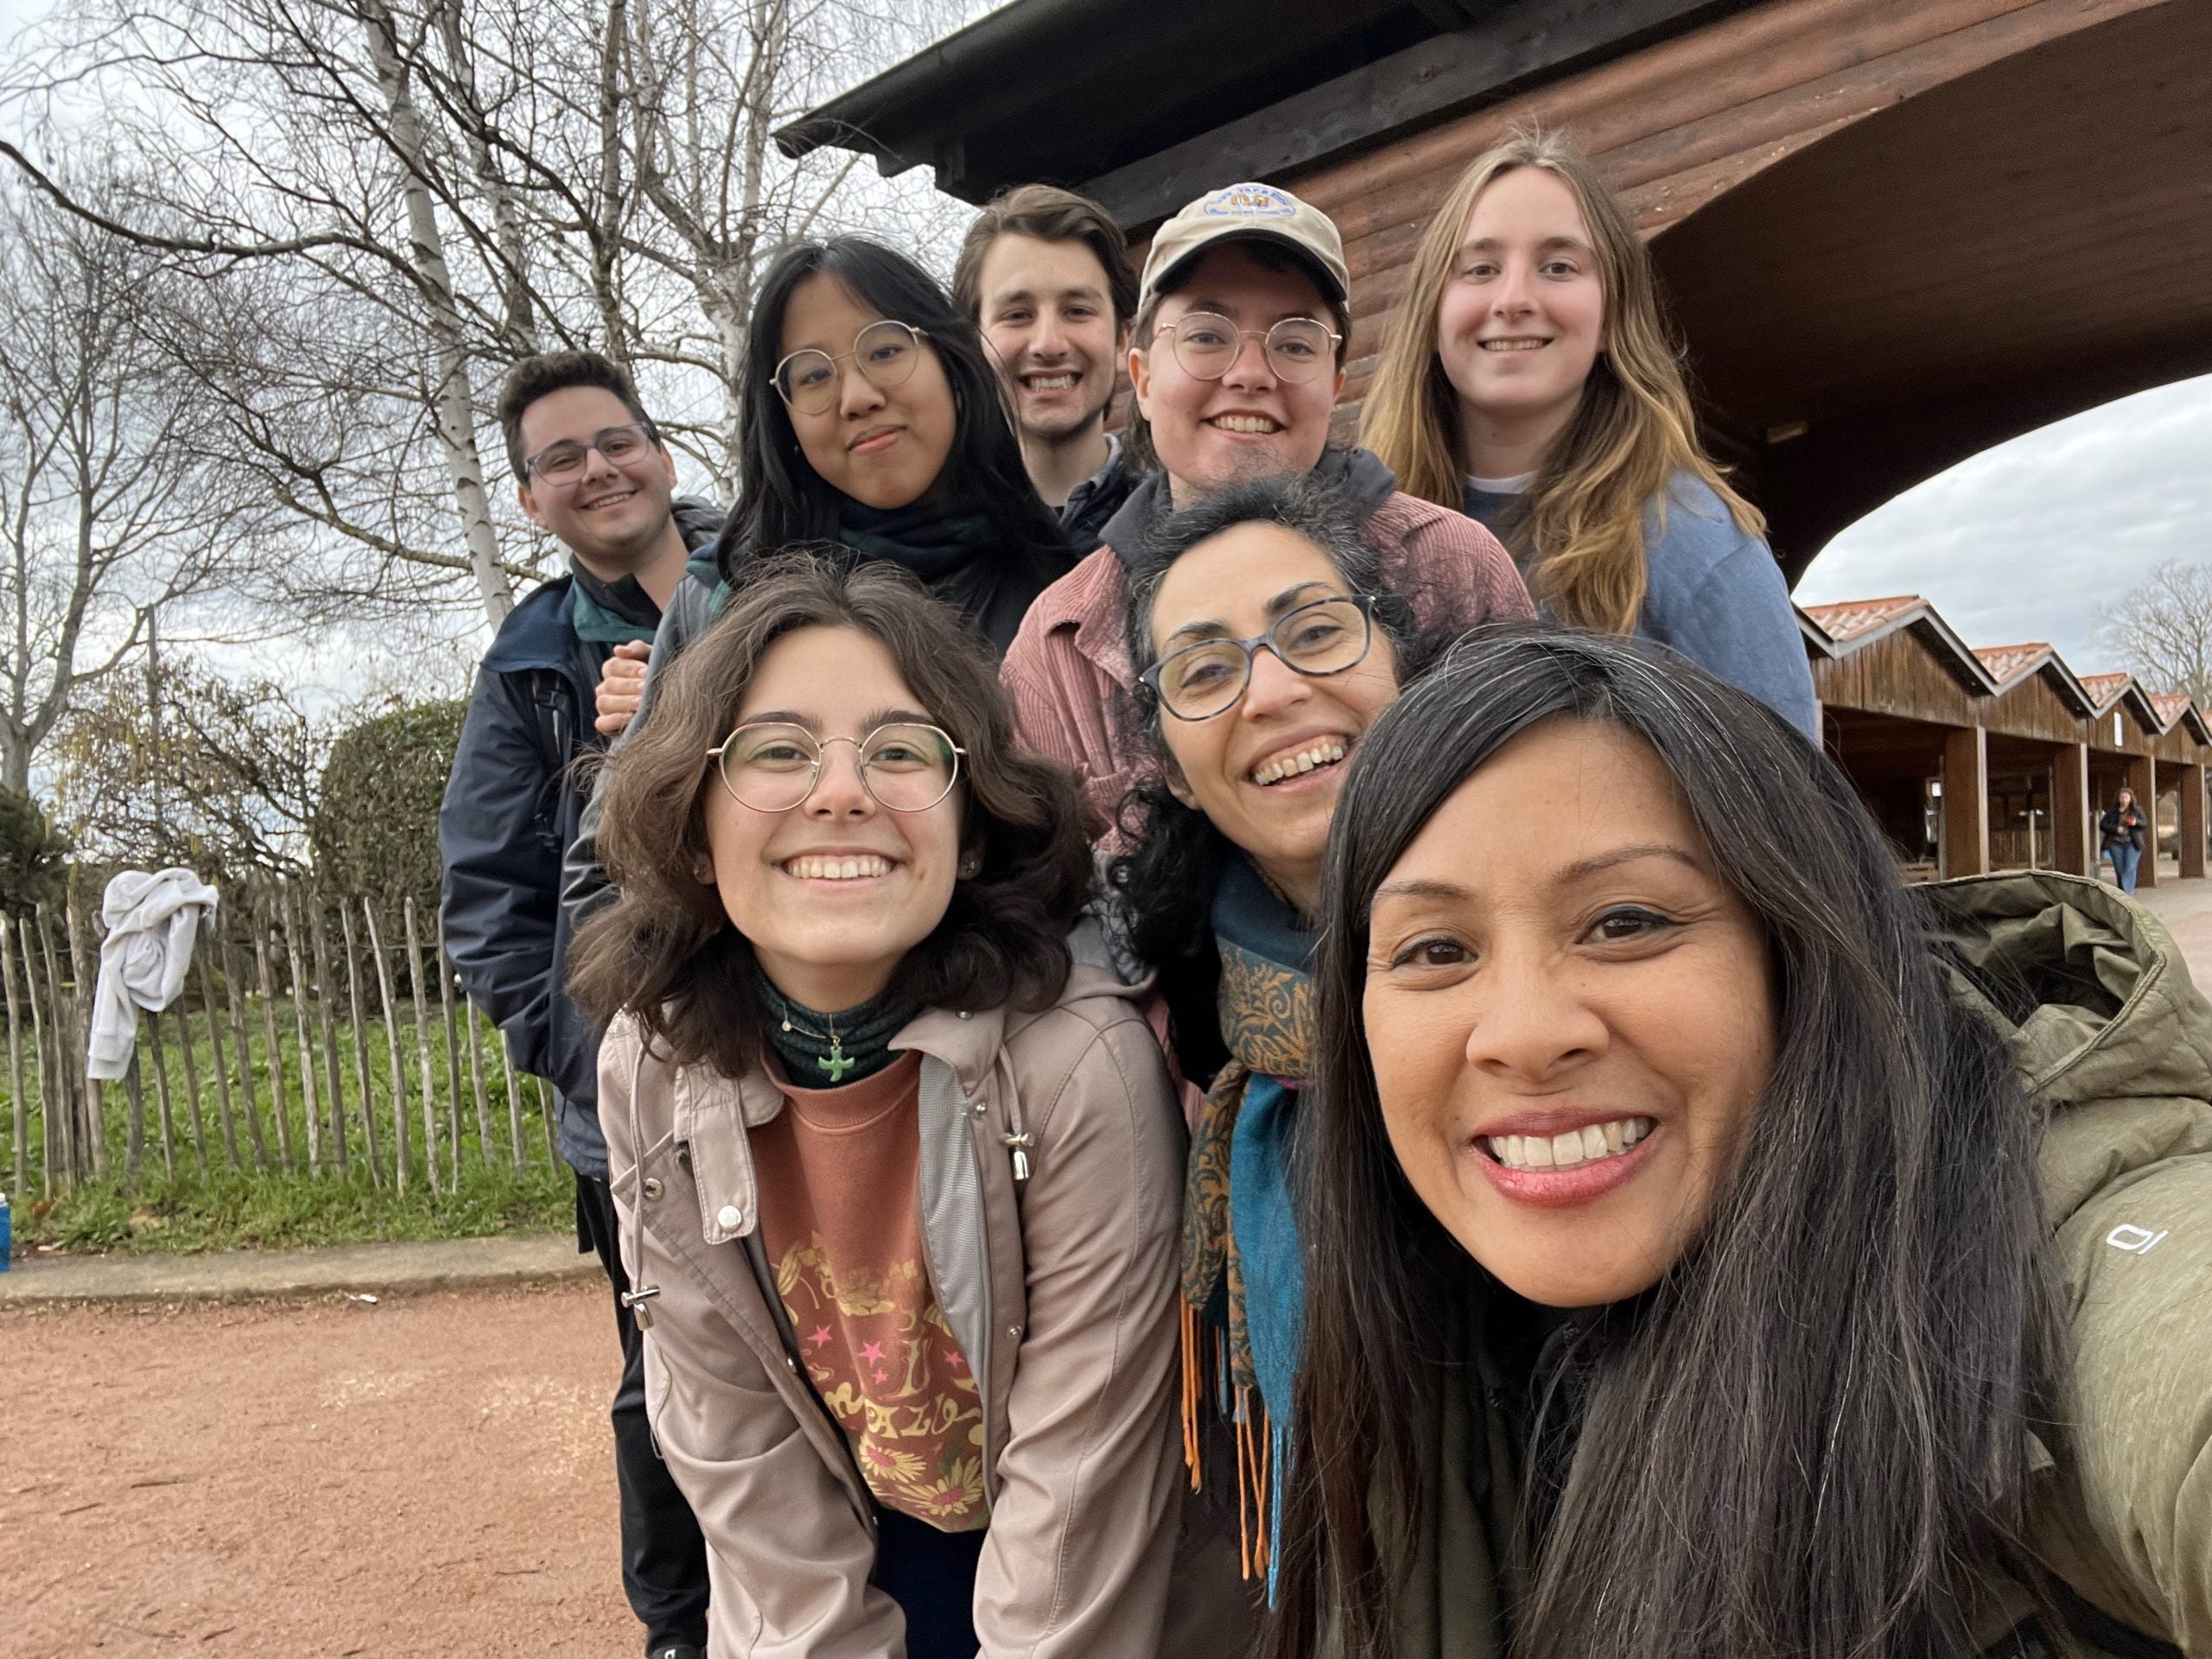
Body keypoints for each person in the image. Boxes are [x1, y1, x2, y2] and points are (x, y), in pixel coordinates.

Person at [1268, 630, 2212, 1659]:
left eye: (1623, 922)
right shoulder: (1429, 1326)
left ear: (1793, 953)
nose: (1525, 1035)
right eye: (1436, 950)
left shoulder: (2060, 1232)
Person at [568, 552, 1206, 1658]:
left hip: (1084, 1562)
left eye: (902, 752)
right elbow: (735, 1447)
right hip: (863, 1530)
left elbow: (1081, 1491)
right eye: (776, 752)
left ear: (970, 828)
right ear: (693, 820)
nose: (841, 790)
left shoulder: (1077, 1065)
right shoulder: (651, 1062)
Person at [1107, 474, 1438, 1588]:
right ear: (1170, 770)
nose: (1275, 690)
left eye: (1312, 630)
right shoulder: (1213, 1040)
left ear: (1401, 658)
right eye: (1205, 670)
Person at [438, 349, 716, 1659]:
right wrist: (573, 1055)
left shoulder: (773, 576)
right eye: (561, 458)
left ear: (662, 452)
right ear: (531, 501)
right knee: (663, 1365)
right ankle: (681, 1626)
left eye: (616, 439)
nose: (598, 468)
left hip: (809, 1046)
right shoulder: (529, 664)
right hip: (631, 1100)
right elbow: (484, 892)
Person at [1001, 180, 1531, 818]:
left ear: (1334, 383)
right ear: (1141, 378)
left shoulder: (1456, 565)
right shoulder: (1058, 649)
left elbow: (1535, 803)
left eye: (1294, 343)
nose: (1249, 373)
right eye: (1205, 336)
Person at [1360, 130, 1820, 739]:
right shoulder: (1363, 534)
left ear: (1611, 317)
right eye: (1480, 268)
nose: (1515, 298)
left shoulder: (1693, 539)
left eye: (1559, 266)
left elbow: (1790, 807)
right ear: (1432, 314)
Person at [954, 183, 1139, 546]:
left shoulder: (1181, 529)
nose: (1048, 345)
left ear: (1122, 340)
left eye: (1077, 311)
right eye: (1018, 315)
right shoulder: (926, 549)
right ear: (972, 343)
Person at [2101, 786, 2148, 893]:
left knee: (2129, 867)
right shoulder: (2112, 812)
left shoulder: (2137, 810)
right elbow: (2102, 825)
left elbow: (2145, 824)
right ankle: (2122, 890)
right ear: (2118, 798)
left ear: (2131, 798)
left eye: (2126, 797)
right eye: (2122, 797)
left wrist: (2135, 822)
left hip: (2132, 843)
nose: (2124, 800)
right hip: (2115, 843)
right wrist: (2116, 829)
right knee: (2119, 869)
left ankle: (2127, 894)